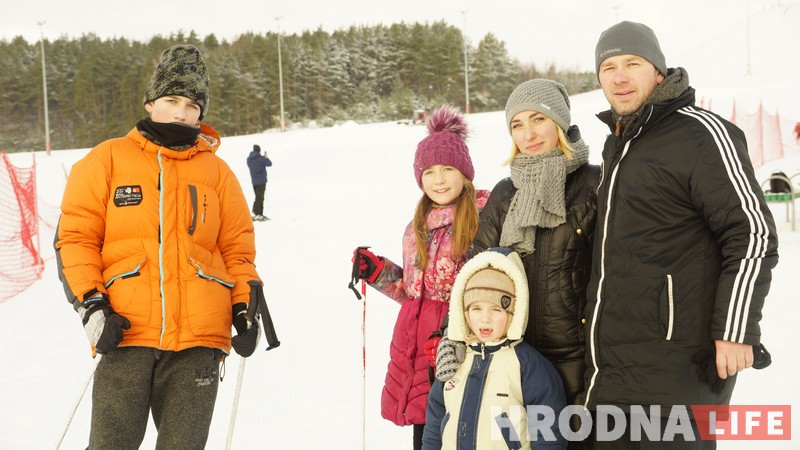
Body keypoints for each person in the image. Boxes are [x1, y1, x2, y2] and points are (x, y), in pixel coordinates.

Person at [54, 45, 262, 449]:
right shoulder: (106, 160)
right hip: (125, 333)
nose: (181, 113)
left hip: (199, 344)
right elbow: (75, 239)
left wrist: (244, 307)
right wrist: (92, 305)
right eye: (171, 100)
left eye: (191, 104)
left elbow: (237, 251)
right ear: (151, 102)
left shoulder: (218, 174)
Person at [586, 21, 778, 447]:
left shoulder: (700, 133)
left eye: (632, 62)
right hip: (612, 369)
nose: (619, 75)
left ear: (658, 71)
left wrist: (735, 328)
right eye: (608, 66)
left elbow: (752, 232)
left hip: (679, 366)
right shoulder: (618, 144)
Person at [432, 79, 598, 449]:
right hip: (513, 361)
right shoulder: (506, 193)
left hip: (577, 359)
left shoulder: (593, 185)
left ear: (559, 121)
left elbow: (609, 275)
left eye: (537, 119)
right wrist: (451, 335)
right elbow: (476, 272)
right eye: (517, 125)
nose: (528, 133)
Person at [351, 104, 490, 450]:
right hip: (415, 349)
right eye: (429, 171)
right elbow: (414, 292)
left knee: (460, 432)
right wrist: (378, 271)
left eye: (447, 169)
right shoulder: (416, 229)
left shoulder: (481, 221)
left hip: (455, 348)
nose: (438, 179)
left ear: (465, 173)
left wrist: (458, 337)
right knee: (424, 435)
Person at [423, 247, 568, 449]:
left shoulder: (528, 366)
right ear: (464, 312)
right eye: (476, 308)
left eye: (496, 310)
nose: (485, 318)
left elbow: (549, 435)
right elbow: (435, 422)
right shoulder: (454, 359)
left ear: (513, 312)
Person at [247, 144, 272, 221]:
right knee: (260, 198)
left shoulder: (249, 159)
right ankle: (255, 213)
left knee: (258, 197)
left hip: (254, 182)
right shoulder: (261, 159)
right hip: (261, 181)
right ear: (259, 150)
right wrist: (266, 157)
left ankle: (259, 214)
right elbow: (269, 164)